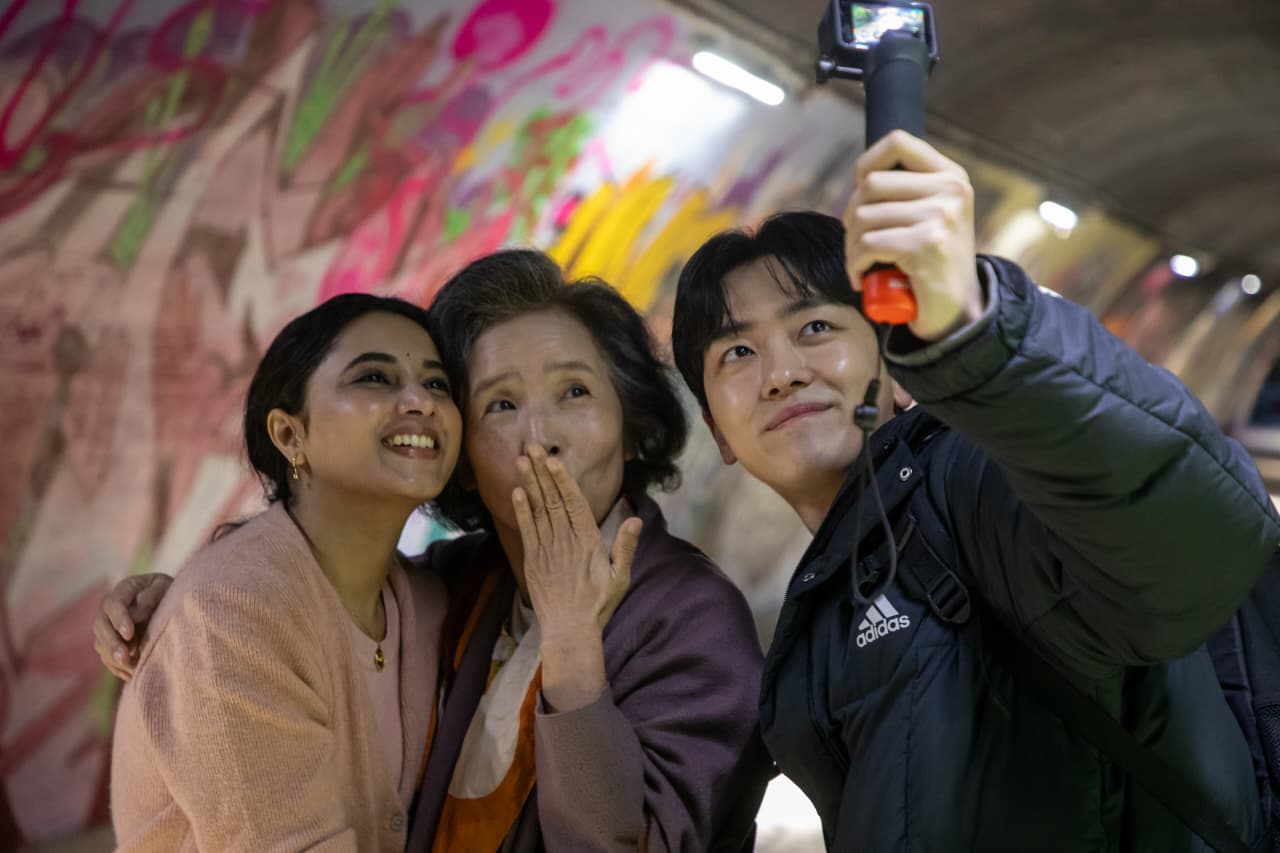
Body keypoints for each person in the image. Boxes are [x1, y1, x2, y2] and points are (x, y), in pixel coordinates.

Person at [669, 130, 1280, 851]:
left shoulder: (972, 482)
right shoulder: (825, 610)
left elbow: (1192, 539)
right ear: (718, 430)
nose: (781, 373)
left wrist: (978, 334)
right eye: (738, 351)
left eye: (816, 326)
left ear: (896, 365)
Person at [97, 252, 771, 852]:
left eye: (575, 391)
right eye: (500, 404)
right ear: (463, 461)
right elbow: (308, 588)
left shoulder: (696, 619)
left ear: (632, 424)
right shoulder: (459, 583)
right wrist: (181, 597)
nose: (541, 437)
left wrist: (572, 649)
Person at [109, 294, 464, 851]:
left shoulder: (429, 599)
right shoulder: (231, 612)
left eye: (438, 384)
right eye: (374, 377)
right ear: (290, 435)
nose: (421, 401)